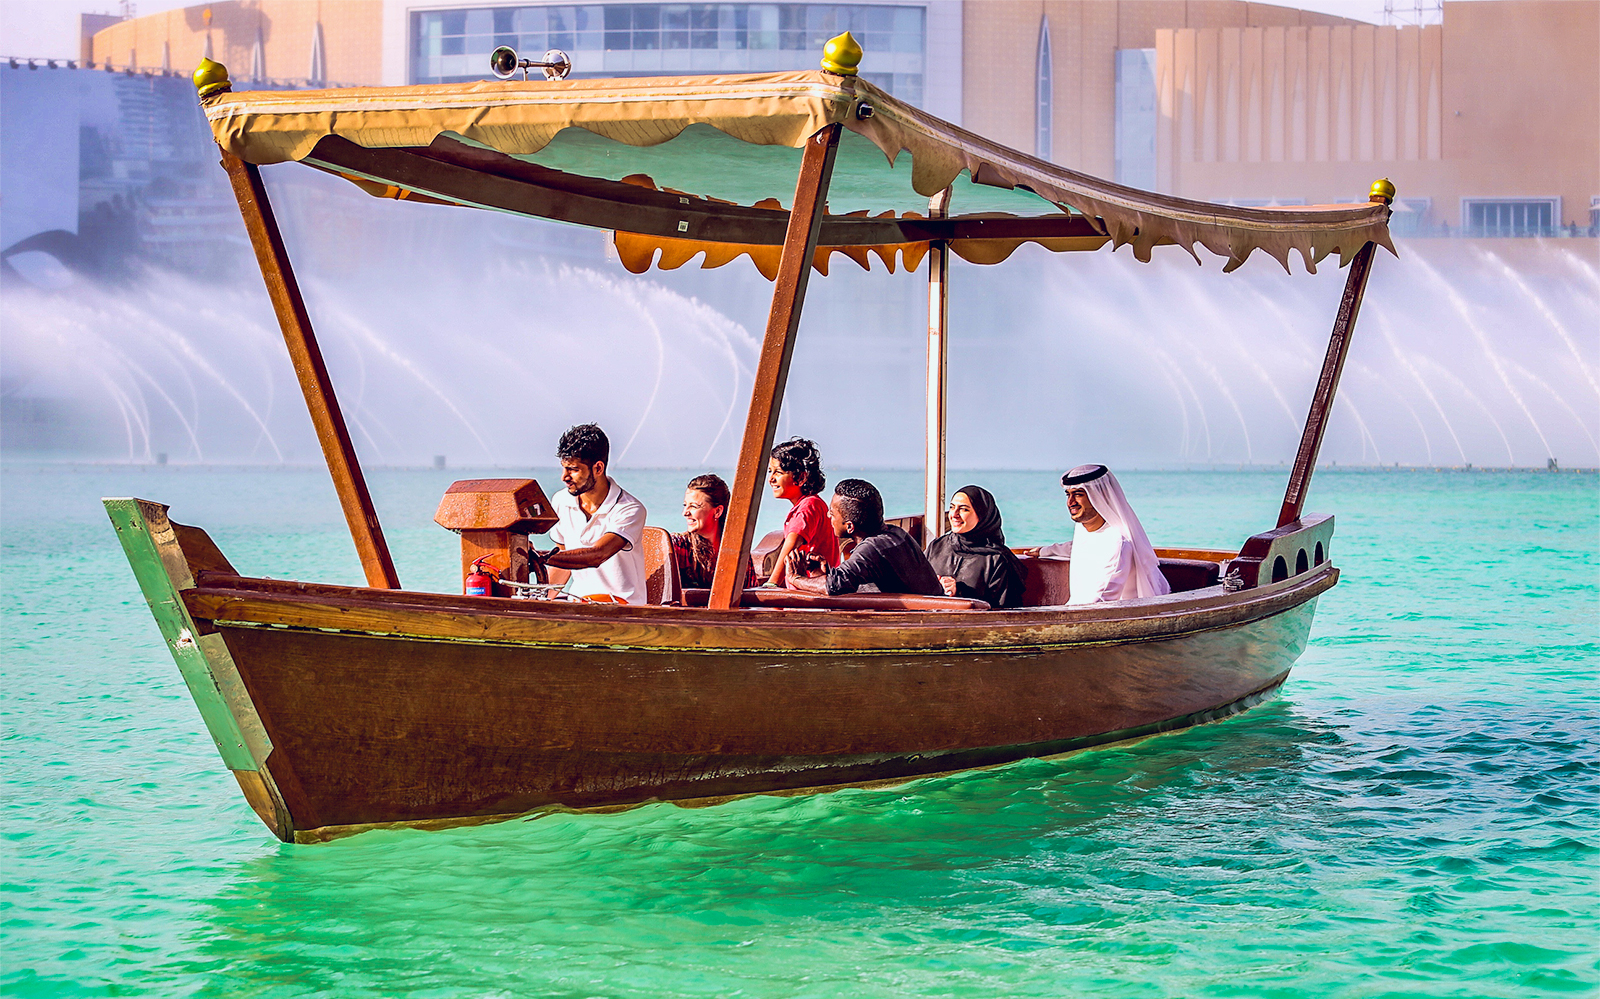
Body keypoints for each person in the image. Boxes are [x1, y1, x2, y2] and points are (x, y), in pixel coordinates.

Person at [536, 424, 648, 604]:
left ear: (598, 468)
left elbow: (597, 555)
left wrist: (537, 557)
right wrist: (539, 602)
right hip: (579, 604)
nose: (564, 477)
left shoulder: (630, 509)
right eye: (564, 468)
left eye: (573, 469)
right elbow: (563, 563)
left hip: (624, 608)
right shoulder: (560, 501)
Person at [785, 478, 943, 598]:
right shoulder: (896, 534)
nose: (828, 516)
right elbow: (849, 579)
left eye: (832, 514)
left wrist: (795, 578)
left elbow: (833, 586)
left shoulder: (872, 548)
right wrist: (822, 573)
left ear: (850, 526)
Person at [1040, 464, 1171, 604]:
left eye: (1078, 494)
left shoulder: (1118, 543)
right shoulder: (1084, 529)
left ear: (1098, 496)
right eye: (1068, 495)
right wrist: (1045, 551)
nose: (1070, 502)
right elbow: (1085, 546)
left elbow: (1101, 599)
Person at [924, 485, 1026, 608]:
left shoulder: (997, 558)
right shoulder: (937, 546)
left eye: (964, 509)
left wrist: (959, 591)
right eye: (952, 507)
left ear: (982, 515)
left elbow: (1004, 609)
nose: (954, 514)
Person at [764, 437, 840, 587]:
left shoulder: (808, 506)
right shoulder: (814, 503)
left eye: (778, 472)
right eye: (770, 471)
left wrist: (771, 584)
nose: (771, 479)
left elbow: (792, 544)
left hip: (809, 598)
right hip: (814, 594)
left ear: (801, 477)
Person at [670, 473, 757, 590]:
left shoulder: (737, 551)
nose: (685, 512)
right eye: (685, 505)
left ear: (717, 512)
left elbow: (750, 593)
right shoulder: (680, 545)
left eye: (694, 506)